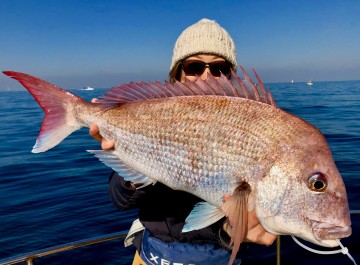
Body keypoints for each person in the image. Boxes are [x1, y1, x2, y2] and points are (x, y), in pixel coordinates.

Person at [90, 18, 277, 265]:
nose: (206, 76)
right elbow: (119, 200)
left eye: (219, 68)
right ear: (177, 74)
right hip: (153, 257)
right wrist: (131, 162)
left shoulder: (251, 128)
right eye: (194, 67)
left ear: (230, 78)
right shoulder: (152, 117)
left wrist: (239, 229)